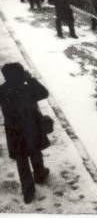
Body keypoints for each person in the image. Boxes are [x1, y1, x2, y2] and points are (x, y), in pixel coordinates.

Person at [0, 63, 51, 203]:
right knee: (35, 152)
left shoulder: (2, 90)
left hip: (14, 131)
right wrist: (30, 79)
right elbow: (44, 93)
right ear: (22, 75)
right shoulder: (28, 88)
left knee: (21, 159)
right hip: (32, 127)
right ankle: (40, 174)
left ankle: (28, 191)